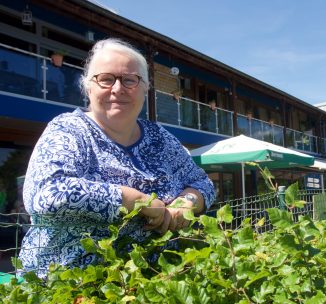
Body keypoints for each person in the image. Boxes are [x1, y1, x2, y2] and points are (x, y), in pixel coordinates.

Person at [19, 38, 215, 277]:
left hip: (162, 281)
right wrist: (135, 200)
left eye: (130, 80)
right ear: (88, 87)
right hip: (74, 287)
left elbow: (203, 182)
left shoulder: (159, 137)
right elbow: (47, 195)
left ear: (145, 88)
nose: (117, 88)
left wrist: (186, 203)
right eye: (106, 79)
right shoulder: (68, 129)